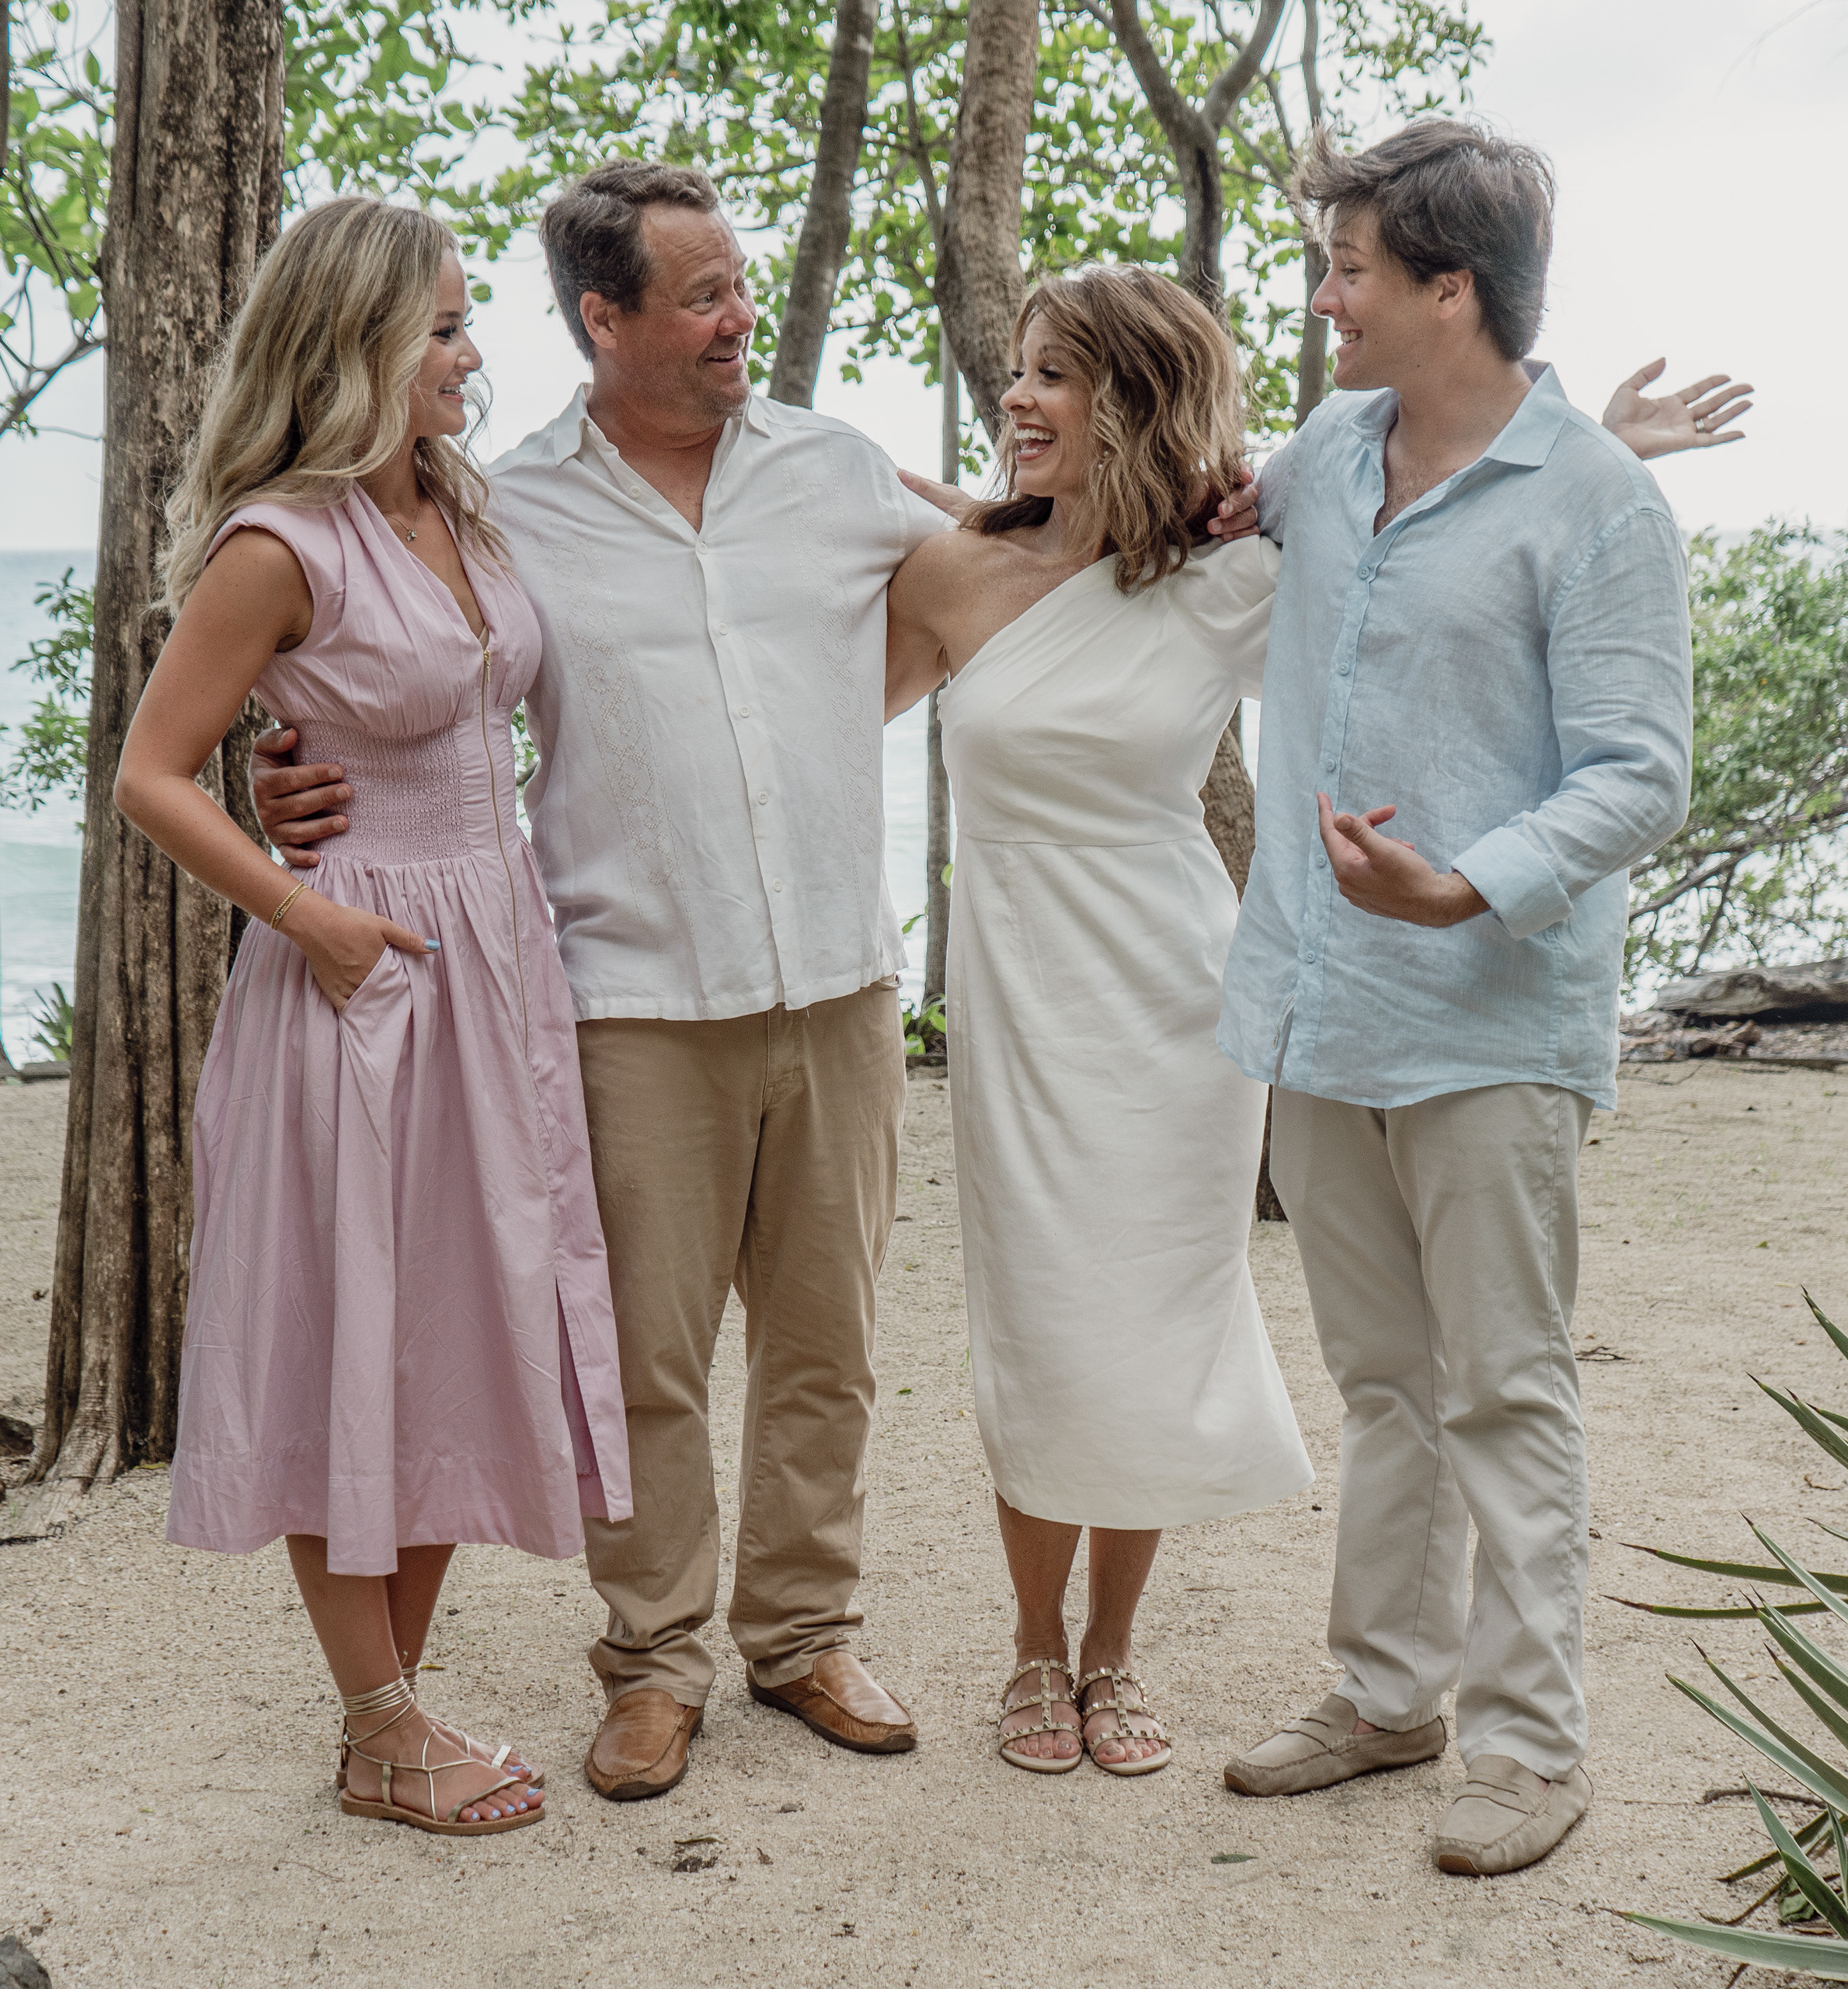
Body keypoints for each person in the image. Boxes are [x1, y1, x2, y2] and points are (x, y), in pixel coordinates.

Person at [249, 163, 1227, 1801]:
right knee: (644, 1358)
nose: (737, 319)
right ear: (602, 317)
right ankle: (652, 1662)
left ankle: (803, 1634)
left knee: (826, 1349)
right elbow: (383, 658)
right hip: (629, 993)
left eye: (741, 285)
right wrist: (281, 768)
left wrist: (1204, 503)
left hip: (840, 982)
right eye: (701, 296)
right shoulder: (504, 508)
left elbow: (1015, 554)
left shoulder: (834, 468)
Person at [1215, 119, 1707, 1879]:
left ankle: (1527, 1747)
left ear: (1451, 290)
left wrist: (1466, 881)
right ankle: (1386, 1695)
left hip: (1488, 1015)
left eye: (1348, 270)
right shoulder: (1324, 453)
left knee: (1503, 1387)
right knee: (1384, 1380)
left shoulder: (1600, 505)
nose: (1322, 300)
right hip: (1318, 1002)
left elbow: (1644, 771)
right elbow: (1211, 513)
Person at [114, 196, 629, 1837]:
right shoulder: (279, 544)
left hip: (498, 962)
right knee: (350, 1323)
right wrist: (309, 912)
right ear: (360, 343)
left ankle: (389, 1711)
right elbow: (149, 774)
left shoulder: (463, 506)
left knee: (461, 1320)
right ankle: (381, 1720)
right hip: (362, 970)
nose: (475, 355)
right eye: (447, 328)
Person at [882, 266, 1310, 1779]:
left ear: (1132, 399)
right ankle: (1031, 1642)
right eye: (1019, 369)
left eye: (1053, 373)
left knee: (1153, 1320)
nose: (1017, 397)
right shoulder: (951, 571)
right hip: (1020, 1001)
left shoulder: (1226, 581)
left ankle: (1113, 1649)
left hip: (1175, 1001)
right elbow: (797, 722)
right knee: (1041, 1322)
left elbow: (1402, 611)